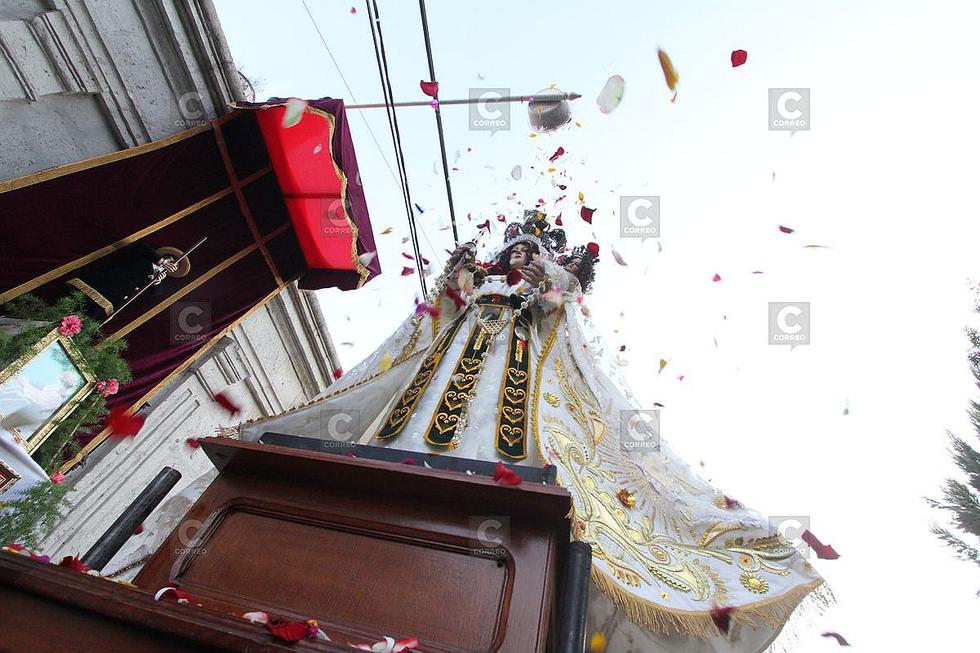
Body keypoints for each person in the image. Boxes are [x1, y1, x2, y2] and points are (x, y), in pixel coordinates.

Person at [235, 210, 827, 651]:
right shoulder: (485, 289)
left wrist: (550, 283)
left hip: (512, 392)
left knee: (499, 440)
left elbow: (560, 310)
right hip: (441, 381)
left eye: (527, 250)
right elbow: (436, 319)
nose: (518, 256)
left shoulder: (535, 293)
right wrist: (456, 278)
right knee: (415, 426)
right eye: (514, 249)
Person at [66, 243, 190, 320]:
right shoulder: (143, 259)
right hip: (102, 286)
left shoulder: (158, 280)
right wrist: (161, 262)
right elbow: (140, 247)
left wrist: (157, 281)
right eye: (171, 260)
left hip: (110, 301)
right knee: (71, 305)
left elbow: (155, 293)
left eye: (175, 265)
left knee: (85, 319)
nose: (171, 264)